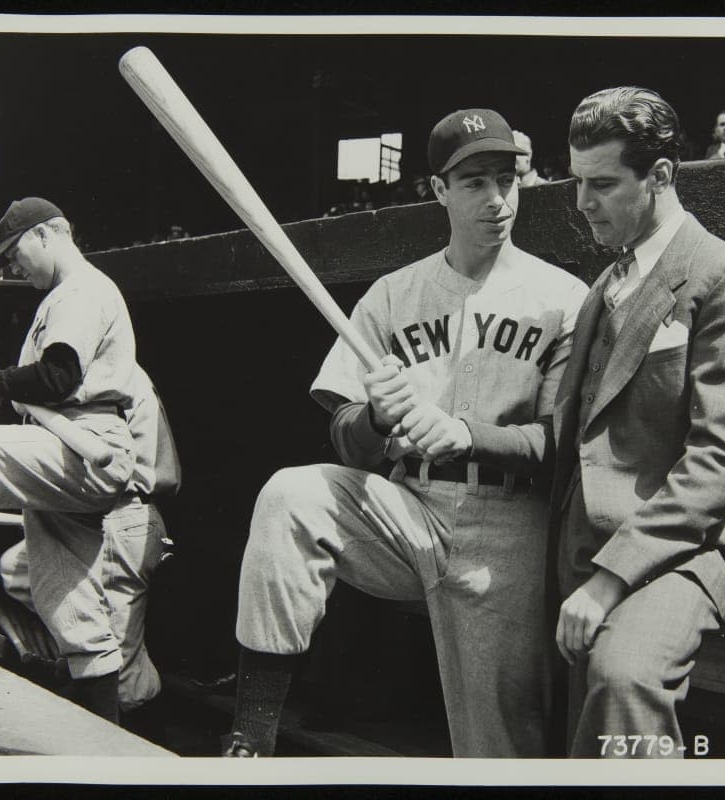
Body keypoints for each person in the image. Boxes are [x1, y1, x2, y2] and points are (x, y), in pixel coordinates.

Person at [223, 108, 588, 758]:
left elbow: (561, 445)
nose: (496, 199)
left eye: (507, 178)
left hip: (509, 530)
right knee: (290, 497)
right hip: (409, 509)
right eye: (473, 181)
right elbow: (346, 441)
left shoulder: (564, 298)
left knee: (499, 750)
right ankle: (249, 740)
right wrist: (376, 418)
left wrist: (463, 433)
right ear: (437, 190)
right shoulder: (394, 295)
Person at [553, 87, 725, 757]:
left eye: (601, 183)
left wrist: (608, 578)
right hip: (577, 542)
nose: (580, 202)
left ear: (659, 176)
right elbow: (568, 432)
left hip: (683, 550)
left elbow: (721, 460)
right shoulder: (604, 286)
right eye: (575, 181)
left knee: (623, 680)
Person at [0, 197, 177, 726]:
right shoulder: (63, 297)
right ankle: (106, 748)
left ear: (49, 233)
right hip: (66, 458)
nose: (12, 268)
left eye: (15, 252)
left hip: (90, 447)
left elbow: (58, 377)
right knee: (72, 615)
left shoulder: (83, 290)